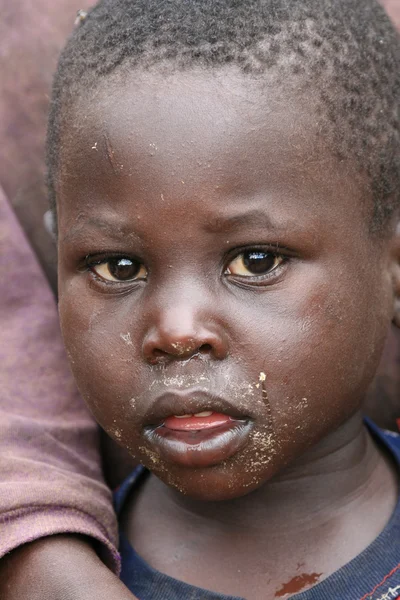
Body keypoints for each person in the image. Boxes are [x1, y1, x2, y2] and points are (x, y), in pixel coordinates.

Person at [32, 0, 400, 597]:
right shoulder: (64, 575)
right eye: (118, 266)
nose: (176, 331)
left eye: (255, 261)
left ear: (393, 266)